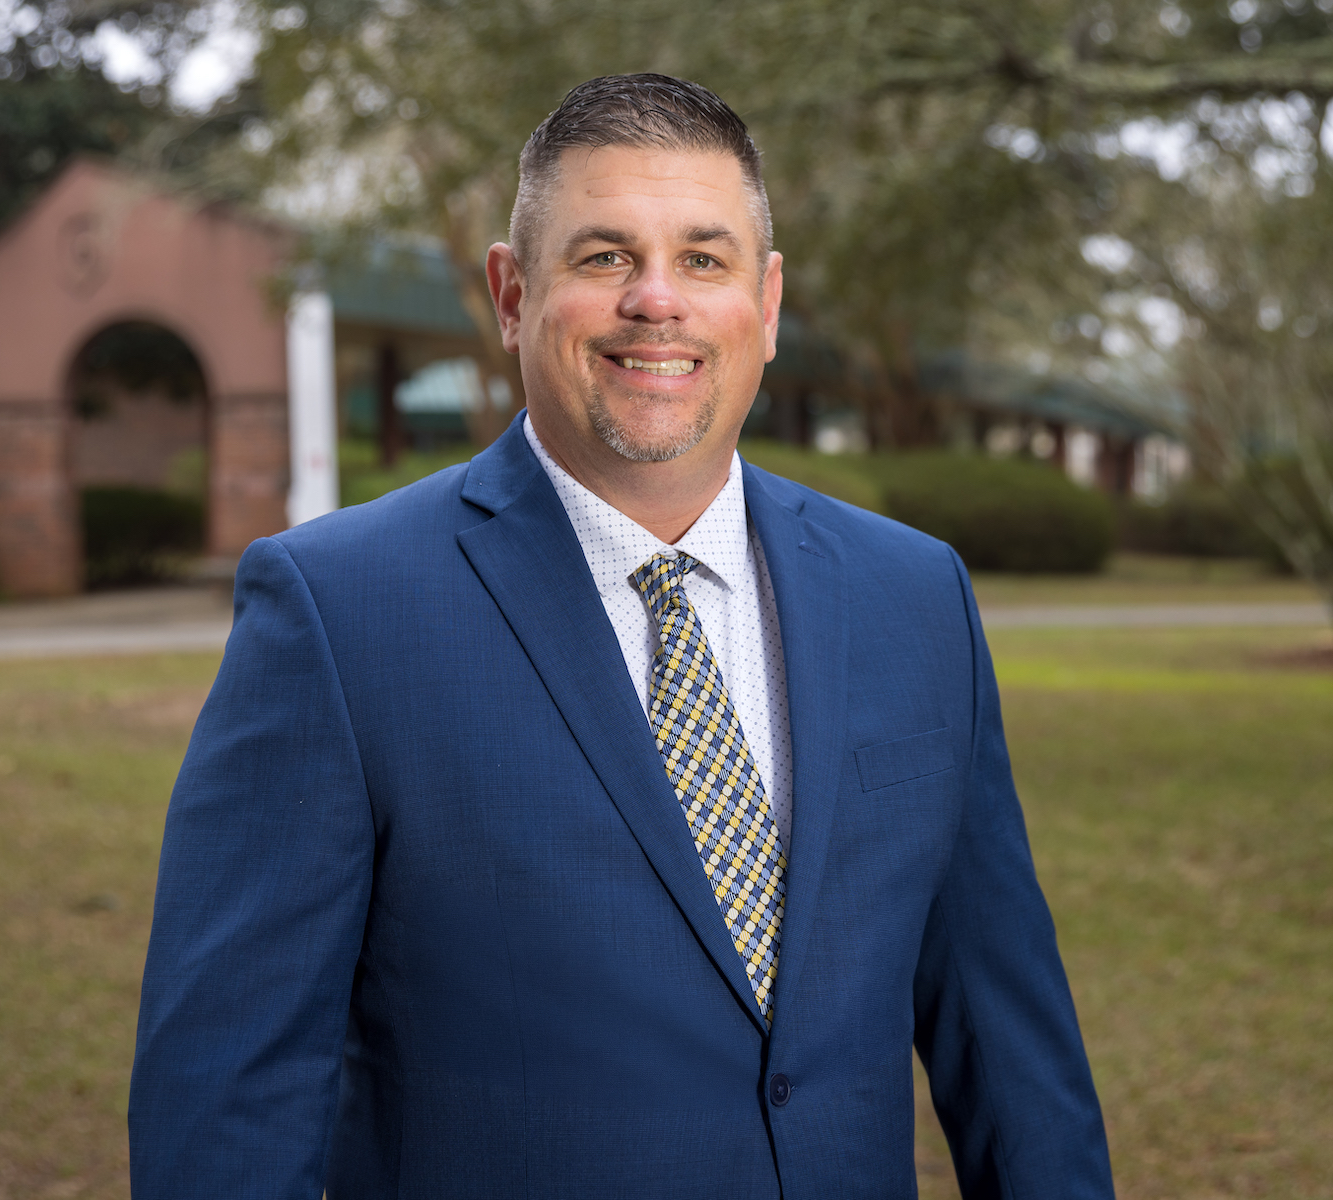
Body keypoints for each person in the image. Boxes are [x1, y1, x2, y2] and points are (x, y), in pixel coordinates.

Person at [129, 73, 1114, 1199]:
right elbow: (227, 1100)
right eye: (603, 258)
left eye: (703, 259)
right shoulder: (338, 613)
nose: (658, 301)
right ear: (511, 294)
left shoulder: (912, 596)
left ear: (768, 302)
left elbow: (1012, 1057)